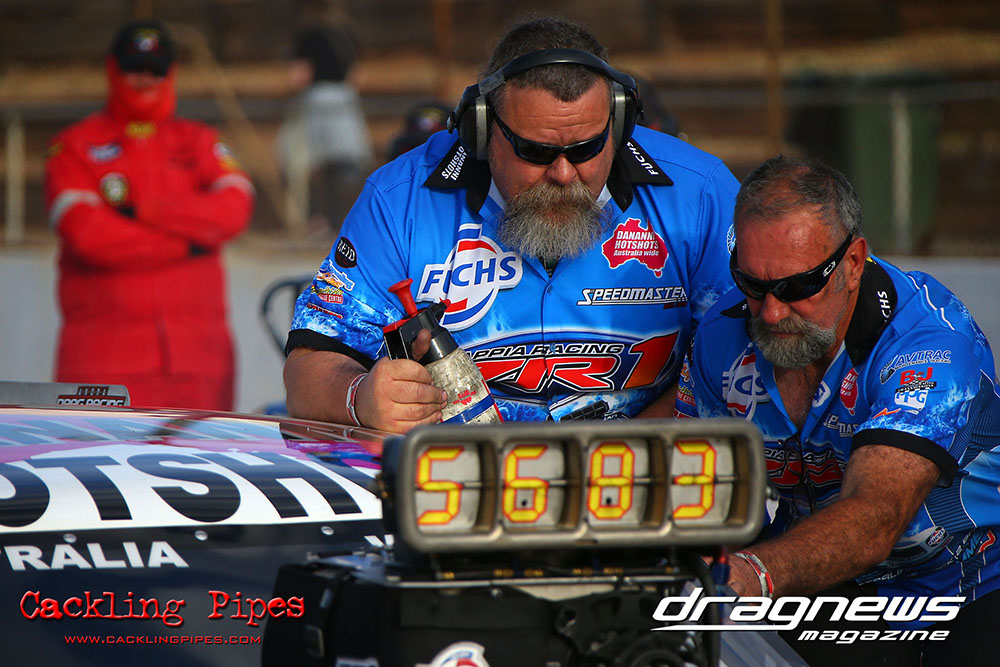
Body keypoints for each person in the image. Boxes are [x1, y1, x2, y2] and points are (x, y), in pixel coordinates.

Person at [283, 16, 739, 433]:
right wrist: (358, 398)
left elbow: (748, 352)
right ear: (481, 131)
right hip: (455, 480)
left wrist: (625, 446)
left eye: (586, 148)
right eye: (536, 151)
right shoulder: (398, 200)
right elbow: (311, 364)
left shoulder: (700, 194)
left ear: (617, 126)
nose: (563, 174)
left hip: (653, 474)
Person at [676, 155, 1000, 665]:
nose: (771, 312)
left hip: (965, 589)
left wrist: (754, 573)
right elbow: (696, 496)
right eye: (753, 285)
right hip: (819, 583)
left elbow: (876, 516)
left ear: (853, 263)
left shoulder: (929, 347)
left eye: (797, 286)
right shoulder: (721, 335)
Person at [44, 19, 255, 410]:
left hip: (200, 362)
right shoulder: (73, 147)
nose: (144, 79)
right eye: (133, 68)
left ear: (171, 74)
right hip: (102, 364)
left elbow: (234, 210)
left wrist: (144, 211)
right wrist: (188, 244)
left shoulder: (201, 142)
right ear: (112, 70)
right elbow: (88, 236)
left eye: (155, 70)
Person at [275, 15, 374, 234]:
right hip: (345, 102)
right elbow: (356, 77)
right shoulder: (345, 37)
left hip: (315, 102)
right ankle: (339, 221)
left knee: (296, 161)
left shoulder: (307, 37)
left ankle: (313, 219)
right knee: (343, 165)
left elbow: (299, 77)